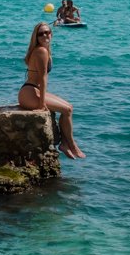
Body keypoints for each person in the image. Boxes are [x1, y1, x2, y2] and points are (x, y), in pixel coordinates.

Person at [18, 22, 86, 160]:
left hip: (32, 90)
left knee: (69, 107)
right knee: (66, 110)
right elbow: (43, 78)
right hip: (29, 92)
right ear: (36, 37)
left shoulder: (44, 50)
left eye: (47, 32)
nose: (45, 35)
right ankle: (71, 145)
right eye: (41, 34)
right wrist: (41, 104)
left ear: (51, 34)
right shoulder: (41, 51)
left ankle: (65, 144)